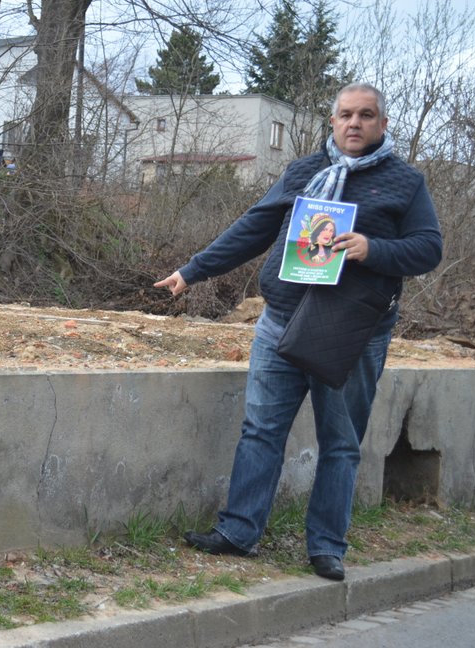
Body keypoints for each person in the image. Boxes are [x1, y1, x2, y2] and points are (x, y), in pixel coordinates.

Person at [154, 83, 442, 581]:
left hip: (352, 332)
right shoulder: (304, 172)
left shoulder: (405, 182)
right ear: (332, 122)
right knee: (261, 430)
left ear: (383, 124)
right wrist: (194, 270)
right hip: (281, 319)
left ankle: (327, 546)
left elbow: (428, 249)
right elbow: (254, 226)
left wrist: (374, 249)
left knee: (341, 440)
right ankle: (238, 532)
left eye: (366, 116)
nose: (354, 123)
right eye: (345, 115)